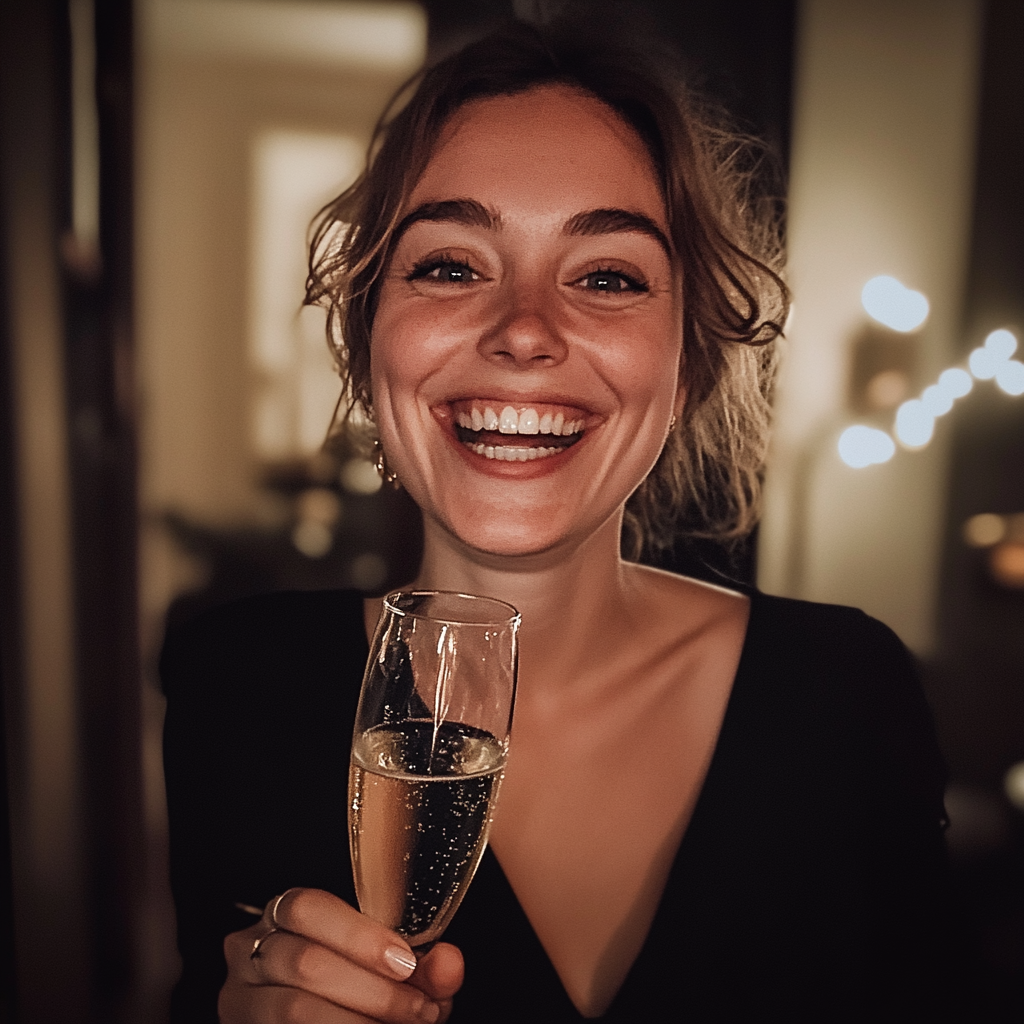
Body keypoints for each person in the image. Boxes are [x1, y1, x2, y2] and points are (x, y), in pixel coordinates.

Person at [161, 21, 957, 1023]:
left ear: (686, 367)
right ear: (369, 342)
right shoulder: (236, 684)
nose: (524, 331)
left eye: (608, 277)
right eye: (451, 265)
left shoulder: (849, 692)